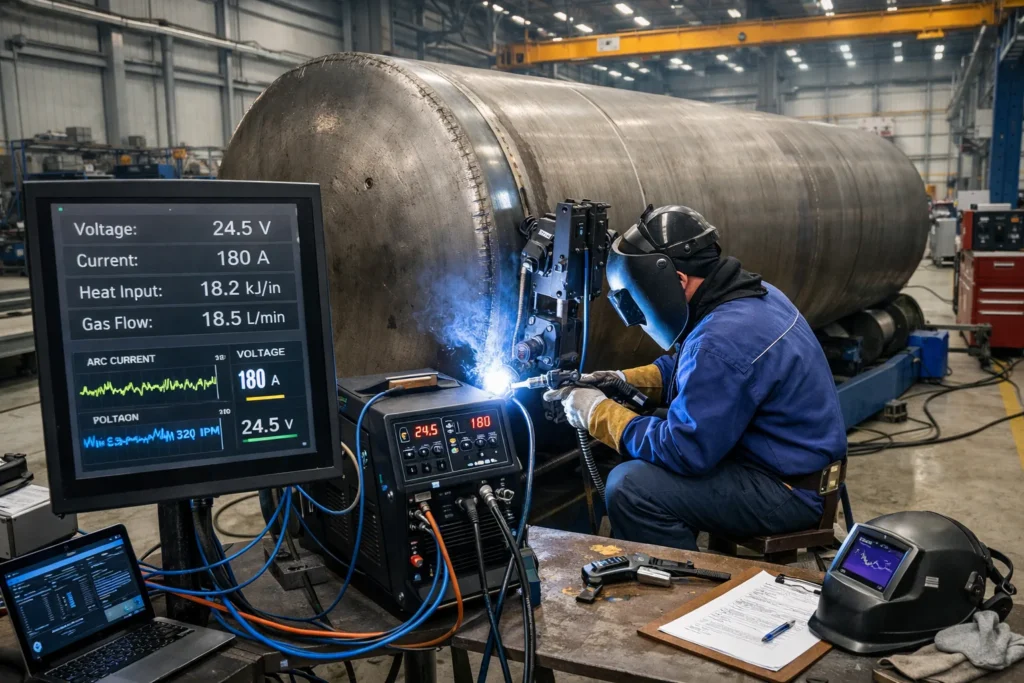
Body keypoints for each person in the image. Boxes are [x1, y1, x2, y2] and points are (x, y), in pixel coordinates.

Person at [544, 205, 847, 551]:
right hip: (789, 464)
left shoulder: (721, 340)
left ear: (676, 281)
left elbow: (683, 450)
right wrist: (617, 379)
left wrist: (598, 414)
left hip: (787, 491)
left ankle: (685, 589)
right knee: (648, 432)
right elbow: (691, 368)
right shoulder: (746, 297)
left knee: (631, 487)